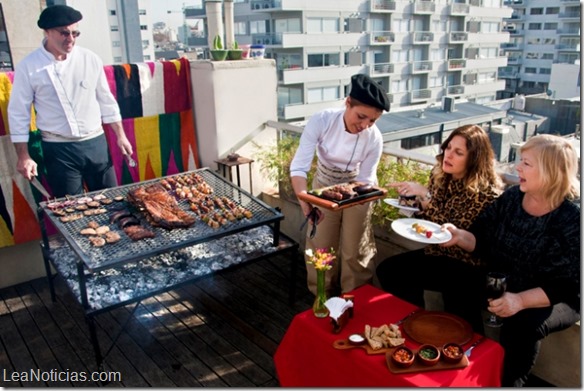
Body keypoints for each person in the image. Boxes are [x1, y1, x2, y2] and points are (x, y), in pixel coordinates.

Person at [441, 134, 580, 387]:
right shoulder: (512, 197)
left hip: (554, 297)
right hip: (507, 280)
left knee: (523, 325)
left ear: (550, 171)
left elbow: (569, 286)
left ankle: (509, 382)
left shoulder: (571, 218)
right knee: (456, 282)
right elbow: (481, 240)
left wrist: (520, 300)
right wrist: (458, 236)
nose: (517, 168)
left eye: (526, 163)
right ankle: (476, 361)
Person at [376, 124, 502, 333]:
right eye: (448, 148)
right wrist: (412, 203)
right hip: (440, 254)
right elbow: (430, 221)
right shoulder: (442, 176)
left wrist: (426, 197)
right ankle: (414, 322)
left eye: (458, 152)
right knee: (390, 270)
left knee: (457, 300)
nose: (448, 155)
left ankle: (469, 349)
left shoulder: (486, 194)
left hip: (468, 264)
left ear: (474, 159)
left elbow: (451, 230)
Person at [9, 5, 132, 198]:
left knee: (111, 201)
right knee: (72, 209)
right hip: (59, 149)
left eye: (75, 33)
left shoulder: (90, 59)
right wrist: (23, 156)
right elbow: (18, 113)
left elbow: (106, 100)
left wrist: (120, 135)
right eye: (64, 33)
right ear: (47, 31)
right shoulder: (28, 66)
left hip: (96, 142)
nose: (71, 39)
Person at [290, 74, 390, 296]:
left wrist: (357, 192)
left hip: (359, 190)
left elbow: (366, 178)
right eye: (361, 116)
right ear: (347, 103)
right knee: (321, 245)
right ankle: (322, 296)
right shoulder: (322, 121)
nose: (365, 125)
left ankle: (355, 298)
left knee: (355, 250)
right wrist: (305, 201)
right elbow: (299, 167)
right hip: (324, 184)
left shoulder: (374, 137)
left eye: (372, 121)